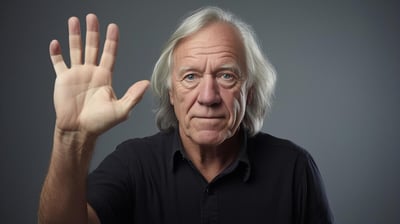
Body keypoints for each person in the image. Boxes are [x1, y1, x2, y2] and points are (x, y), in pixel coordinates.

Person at [38, 6, 334, 224]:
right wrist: (71, 138)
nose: (208, 97)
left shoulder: (294, 169)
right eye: (190, 77)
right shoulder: (134, 164)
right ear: (171, 92)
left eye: (227, 76)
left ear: (251, 91)